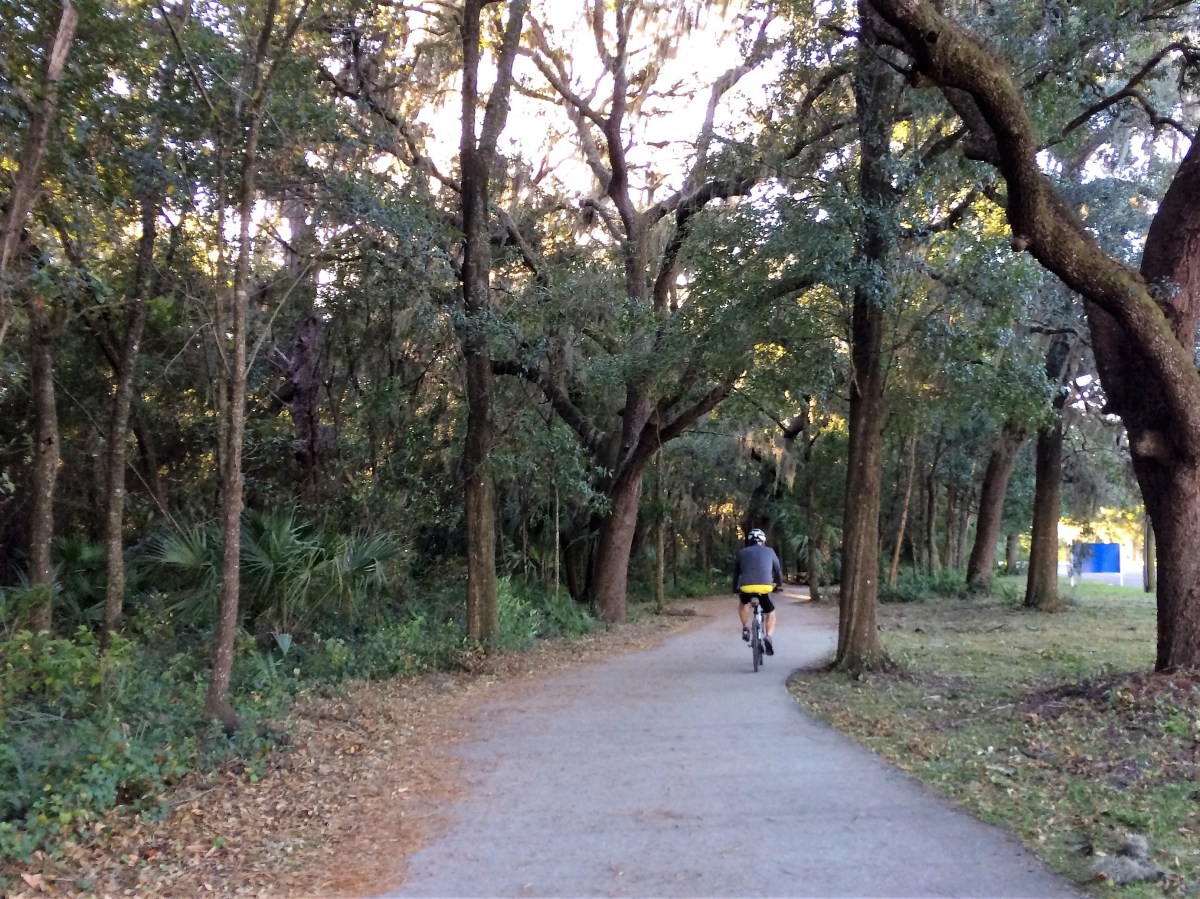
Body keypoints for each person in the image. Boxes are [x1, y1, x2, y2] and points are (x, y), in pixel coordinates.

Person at [733, 528, 783, 655]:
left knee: (743, 604)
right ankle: (768, 637)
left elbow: (736, 573)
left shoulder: (742, 552)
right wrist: (779, 585)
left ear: (749, 541)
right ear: (763, 540)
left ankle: (745, 628)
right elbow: (777, 570)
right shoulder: (770, 551)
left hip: (746, 587)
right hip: (765, 587)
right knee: (770, 612)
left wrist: (734, 587)